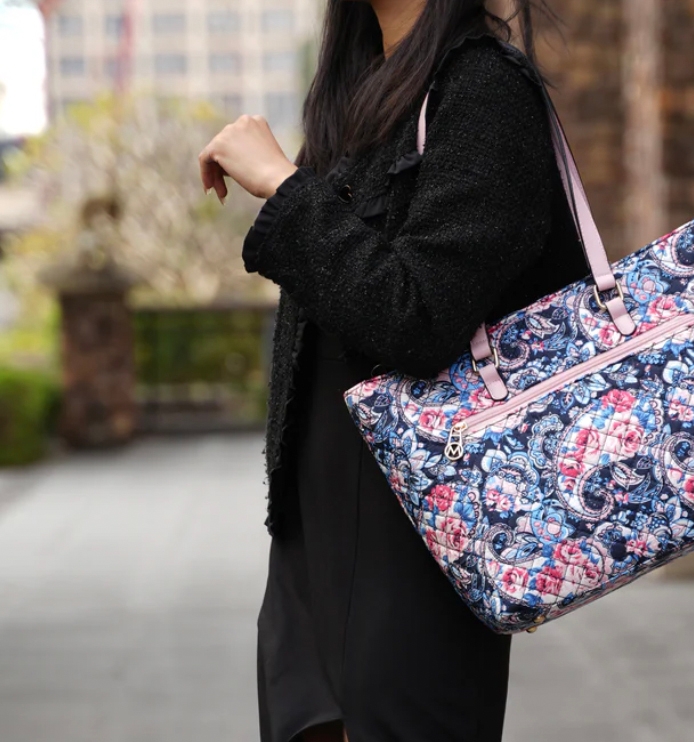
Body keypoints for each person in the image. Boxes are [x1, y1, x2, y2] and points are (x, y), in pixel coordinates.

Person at [198, 1, 588, 740]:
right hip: (315, 527)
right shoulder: (364, 93)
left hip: (416, 535)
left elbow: (419, 315)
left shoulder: (484, 90)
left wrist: (285, 187)